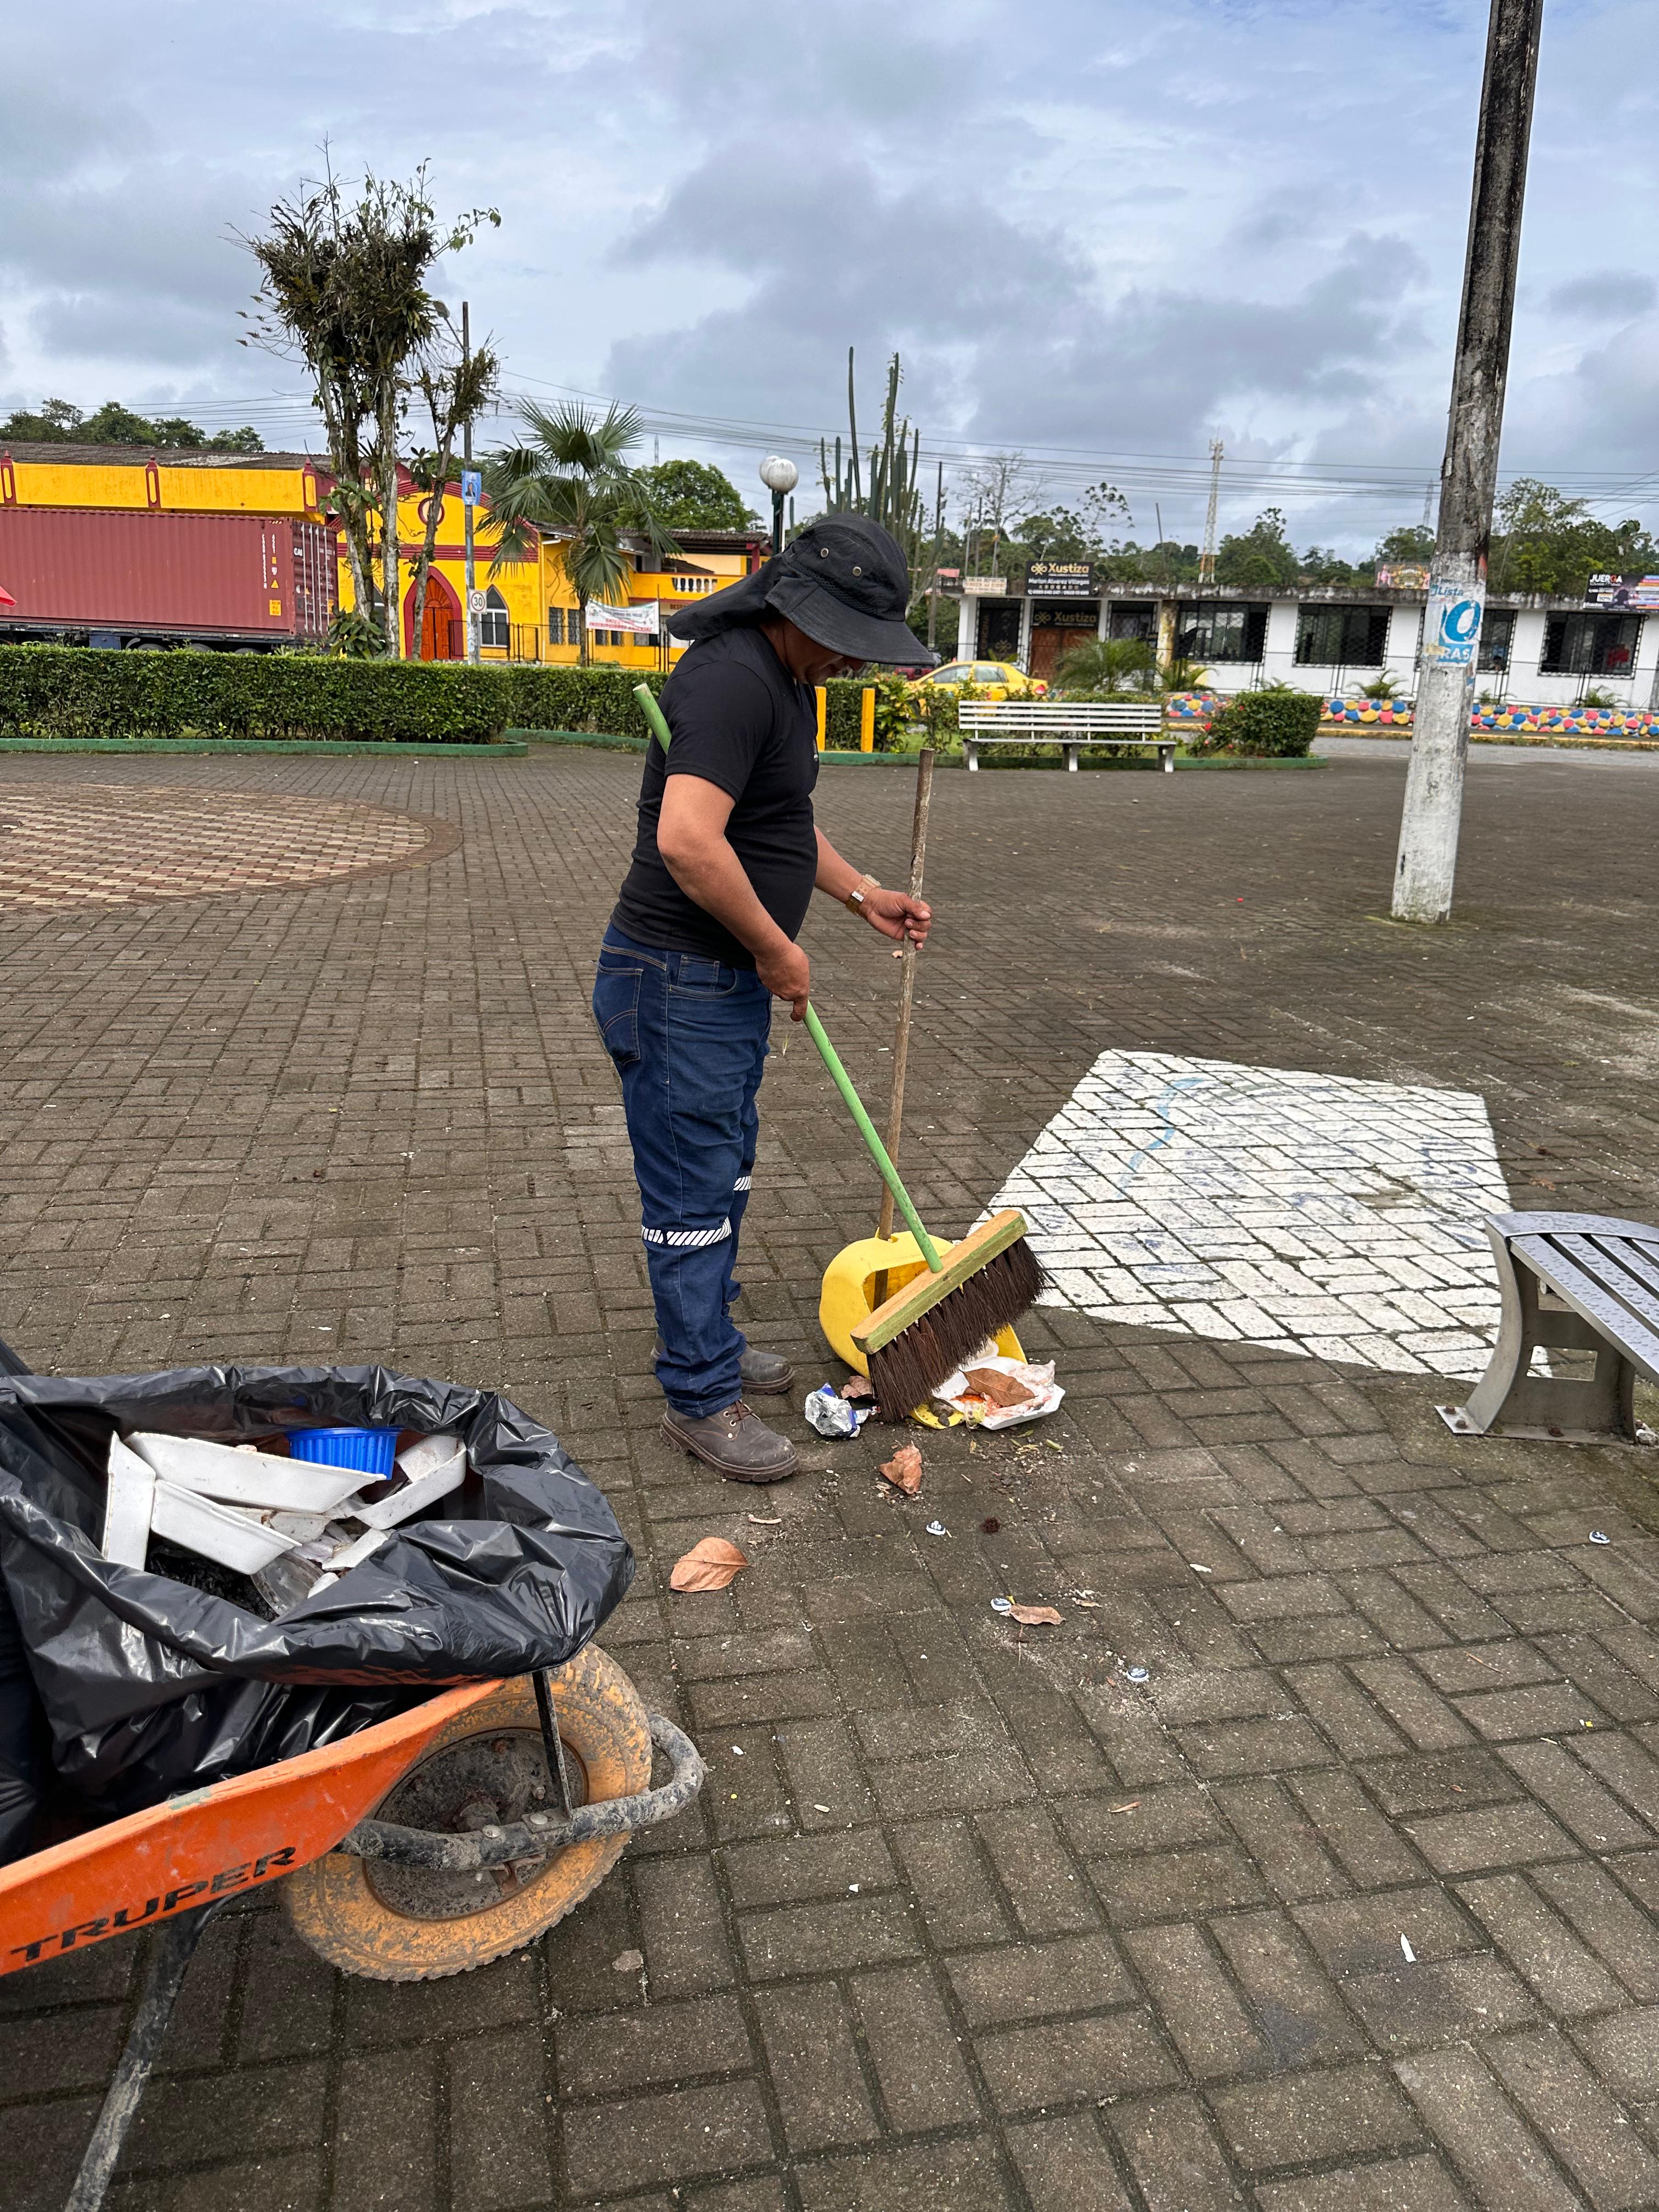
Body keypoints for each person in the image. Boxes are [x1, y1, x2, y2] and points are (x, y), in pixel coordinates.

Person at [592, 512, 935, 1482]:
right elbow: (688, 840)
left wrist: (861, 894)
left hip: (722, 981)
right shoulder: (732, 681)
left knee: (725, 1169)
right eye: (846, 639)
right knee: (693, 1188)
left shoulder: (787, 680)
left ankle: (710, 1337)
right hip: (678, 981)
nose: (852, 661)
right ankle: (700, 1393)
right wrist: (777, 948)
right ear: (797, 609)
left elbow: (780, 820)